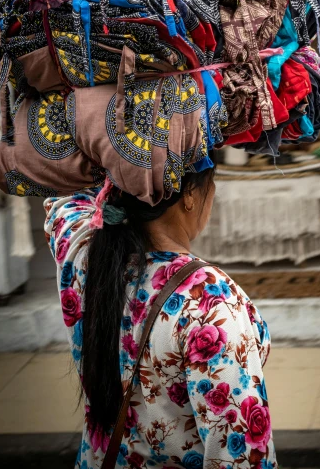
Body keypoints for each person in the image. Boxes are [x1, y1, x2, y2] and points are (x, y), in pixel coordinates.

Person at [45, 165, 276, 469]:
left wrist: (115, 149)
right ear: (190, 194)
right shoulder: (210, 301)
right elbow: (240, 457)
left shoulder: (82, 255)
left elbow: (61, 192)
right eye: (213, 181)